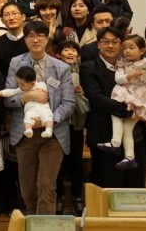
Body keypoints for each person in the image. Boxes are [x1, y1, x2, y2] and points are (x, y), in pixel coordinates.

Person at [4, 20, 75, 215]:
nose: (35, 40)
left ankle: (44, 225)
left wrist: (48, 120)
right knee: (27, 190)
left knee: (46, 186)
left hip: (53, 134)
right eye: (30, 36)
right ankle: (34, 222)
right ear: (25, 39)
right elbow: (8, 99)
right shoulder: (16, 63)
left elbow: (69, 103)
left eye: (40, 35)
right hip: (25, 133)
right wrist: (27, 97)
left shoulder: (61, 67)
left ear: (47, 38)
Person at [79, 26, 146, 188]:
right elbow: (96, 98)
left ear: (121, 45)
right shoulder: (88, 67)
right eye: (105, 42)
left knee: (135, 185)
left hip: (135, 134)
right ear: (98, 44)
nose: (110, 45)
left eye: (115, 42)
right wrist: (129, 112)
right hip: (105, 134)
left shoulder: (131, 66)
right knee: (108, 185)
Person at [96, 35, 146, 170]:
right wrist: (130, 76)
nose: (127, 51)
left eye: (131, 48)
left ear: (141, 51)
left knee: (124, 123)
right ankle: (129, 157)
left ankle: (116, 143)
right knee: (121, 120)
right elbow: (118, 79)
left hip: (141, 97)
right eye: (125, 48)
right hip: (126, 95)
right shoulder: (122, 63)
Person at [54, 41, 87, 216]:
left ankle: (76, 196)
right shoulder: (53, 71)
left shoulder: (84, 72)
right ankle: (58, 196)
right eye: (66, 49)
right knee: (58, 161)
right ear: (58, 54)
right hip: (59, 122)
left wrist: (83, 93)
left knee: (76, 160)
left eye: (73, 50)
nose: (70, 52)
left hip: (77, 122)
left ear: (78, 56)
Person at [0, 65, 55, 138]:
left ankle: (49, 130)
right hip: (30, 109)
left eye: (22, 84)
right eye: (18, 84)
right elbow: (11, 91)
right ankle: (29, 130)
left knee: (48, 116)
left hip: (44, 108)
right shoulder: (22, 89)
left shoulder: (42, 85)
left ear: (32, 83)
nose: (19, 86)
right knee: (27, 119)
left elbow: (52, 94)